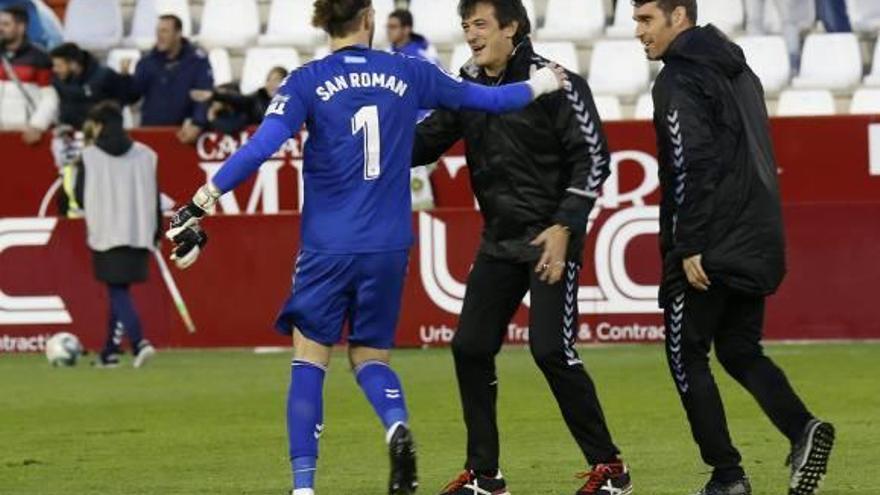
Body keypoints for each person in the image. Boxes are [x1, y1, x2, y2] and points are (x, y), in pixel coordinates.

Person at [163, 0, 565, 494]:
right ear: (369, 18)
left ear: (322, 22)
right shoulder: (410, 71)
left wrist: (201, 202)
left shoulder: (306, 80)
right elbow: (491, 100)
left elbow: (260, 148)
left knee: (310, 358)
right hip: (389, 244)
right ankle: (396, 425)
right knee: (371, 355)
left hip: (328, 245)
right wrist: (543, 83)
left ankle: (304, 487)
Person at [412, 1, 630, 494]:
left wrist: (564, 225)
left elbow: (594, 158)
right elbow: (423, 144)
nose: (470, 34)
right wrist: (365, 140)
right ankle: (485, 476)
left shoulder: (556, 82)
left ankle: (612, 470)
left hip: (552, 236)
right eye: (465, 25)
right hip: (500, 239)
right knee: (469, 347)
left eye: (481, 24)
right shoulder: (464, 90)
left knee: (551, 349)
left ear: (512, 28)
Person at [633, 1, 835, 494]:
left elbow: (691, 164)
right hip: (757, 234)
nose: (639, 33)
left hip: (711, 242)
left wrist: (689, 245)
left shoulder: (678, 79)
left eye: (646, 20)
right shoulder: (739, 70)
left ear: (678, 16)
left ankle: (727, 476)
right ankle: (801, 428)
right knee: (740, 349)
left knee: (686, 354)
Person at [60, 101, 159, 369]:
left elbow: (79, 197)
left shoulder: (89, 157)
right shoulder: (147, 154)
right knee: (120, 290)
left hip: (106, 230)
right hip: (139, 230)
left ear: (99, 125)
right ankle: (109, 352)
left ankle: (140, 342)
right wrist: (156, 232)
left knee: (117, 290)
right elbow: (154, 194)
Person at [119, 14, 213, 144]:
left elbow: (204, 94)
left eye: (164, 31)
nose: (159, 36)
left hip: (184, 135)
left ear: (178, 34)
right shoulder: (147, 62)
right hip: (152, 134)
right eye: (157, 31)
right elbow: (132, 96)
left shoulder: (197, 61)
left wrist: (198, 123)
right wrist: (124, 78)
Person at [0, 4, 56, 143]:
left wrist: (37, 125)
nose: (0, 28)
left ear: (21, 27)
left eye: (5, 24)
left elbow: (50, 96)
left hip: (26, 132)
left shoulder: (40, 56)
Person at [189, 66, 289, 135]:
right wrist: (215, 95)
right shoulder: (256, 101)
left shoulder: (296, 104)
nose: (272, 84)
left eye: (277, 80)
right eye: (269, 80)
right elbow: (239, 100)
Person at [49, 42, 124, 129]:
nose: (55, 70)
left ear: (74, 64)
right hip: (67, 132)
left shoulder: (105, 76)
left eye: (59, 66)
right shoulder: (56, 80)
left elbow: (120, 101)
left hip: (99, 133)